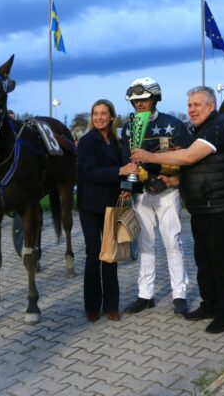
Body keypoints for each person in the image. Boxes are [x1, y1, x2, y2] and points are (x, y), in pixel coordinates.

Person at [131, 85, 224, 334]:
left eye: (197, 105)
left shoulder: (218, 127)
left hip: (221, 207)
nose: (191, 110)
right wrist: (173, 180)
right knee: (204, 261)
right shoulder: (199, 129)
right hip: (202, 206)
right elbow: (194, 166)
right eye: (189, 105)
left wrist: (150, 157)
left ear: (211, 106)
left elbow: (190, 157)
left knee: (222, 263)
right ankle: (209, 305)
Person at [121, 77, 191, 316]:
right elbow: (125, 162)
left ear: (154, 99)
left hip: (168, 191)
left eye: (143, 99)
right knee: (145, 245)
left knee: (173, 242)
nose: (139, 104)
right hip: (141, 194)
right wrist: (126, 188)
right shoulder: (128, 127)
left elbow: (188, 157)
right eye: (135, 101)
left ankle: (179, 294)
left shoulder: (174, 124)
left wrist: (176, 178)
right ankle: (145, 294)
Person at [77, 99, 138, 322]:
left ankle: (111, 304)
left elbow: (132, 168)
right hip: (90, 205)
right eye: (95, 113)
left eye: (104, 113)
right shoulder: (86, 142)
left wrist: (128, 188)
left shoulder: (119, 142)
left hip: (113, 204)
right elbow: (90, 172)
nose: (99, 117)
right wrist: (120, 171)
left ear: (112, 116)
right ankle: (92, 306)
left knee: (111, 255)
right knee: (93, 253)